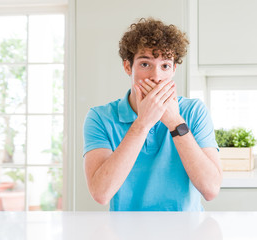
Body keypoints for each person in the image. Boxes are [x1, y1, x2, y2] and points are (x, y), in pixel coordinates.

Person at [83, 18, 222, 211]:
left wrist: (174, 122)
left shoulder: (194, 112)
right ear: (127, 67)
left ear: (173, 69)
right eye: (145, 64)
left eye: (165, 65)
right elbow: (100, 193)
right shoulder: (100, 118)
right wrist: (142, 124)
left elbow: (211, 189)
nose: (156, 77)